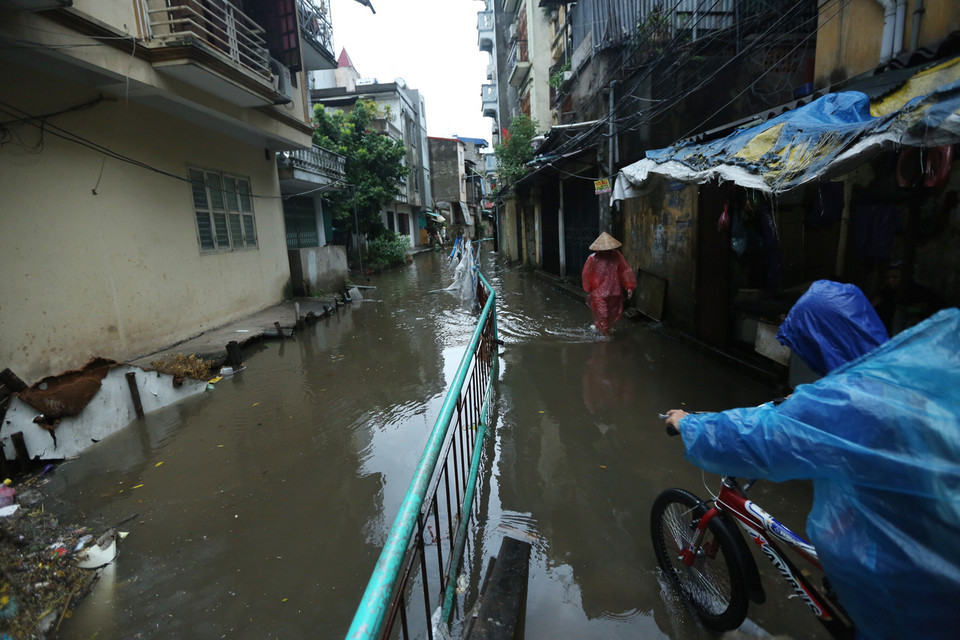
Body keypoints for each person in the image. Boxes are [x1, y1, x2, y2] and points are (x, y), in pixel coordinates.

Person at [663, 281, 960, 640]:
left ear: (821, 344)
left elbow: (757, 437)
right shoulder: (908, 372)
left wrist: (688, 423)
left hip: (907, 597)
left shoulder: (842, 403)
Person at [582, 232, 637, 336]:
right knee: (604, 314)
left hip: (614, 291)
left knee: (611, 313)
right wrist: (589, 288)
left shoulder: (617, 256)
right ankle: (606, 336)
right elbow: (586, 275)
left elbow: (624, 271)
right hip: (599, 292)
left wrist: (629, 287)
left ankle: (601, 326)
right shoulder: (592, 259)